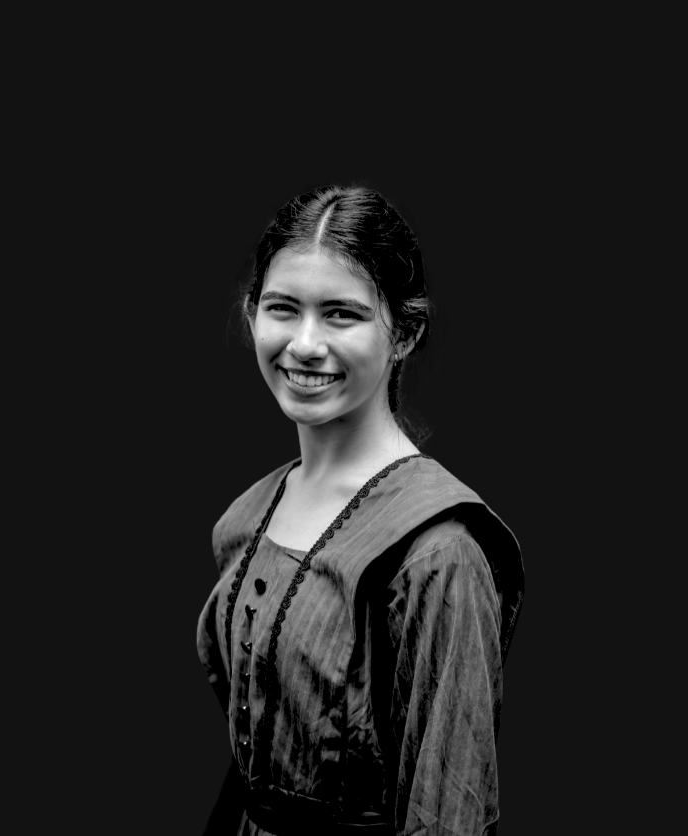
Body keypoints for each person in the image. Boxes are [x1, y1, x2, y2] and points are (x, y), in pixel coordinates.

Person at [197, 185, 524, 835]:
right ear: (252, 314)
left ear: (405, 333)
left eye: (341, 314)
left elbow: (449, 815)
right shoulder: (247, 517)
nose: (305, 344)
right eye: (283, 308)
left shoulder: (439, 552)